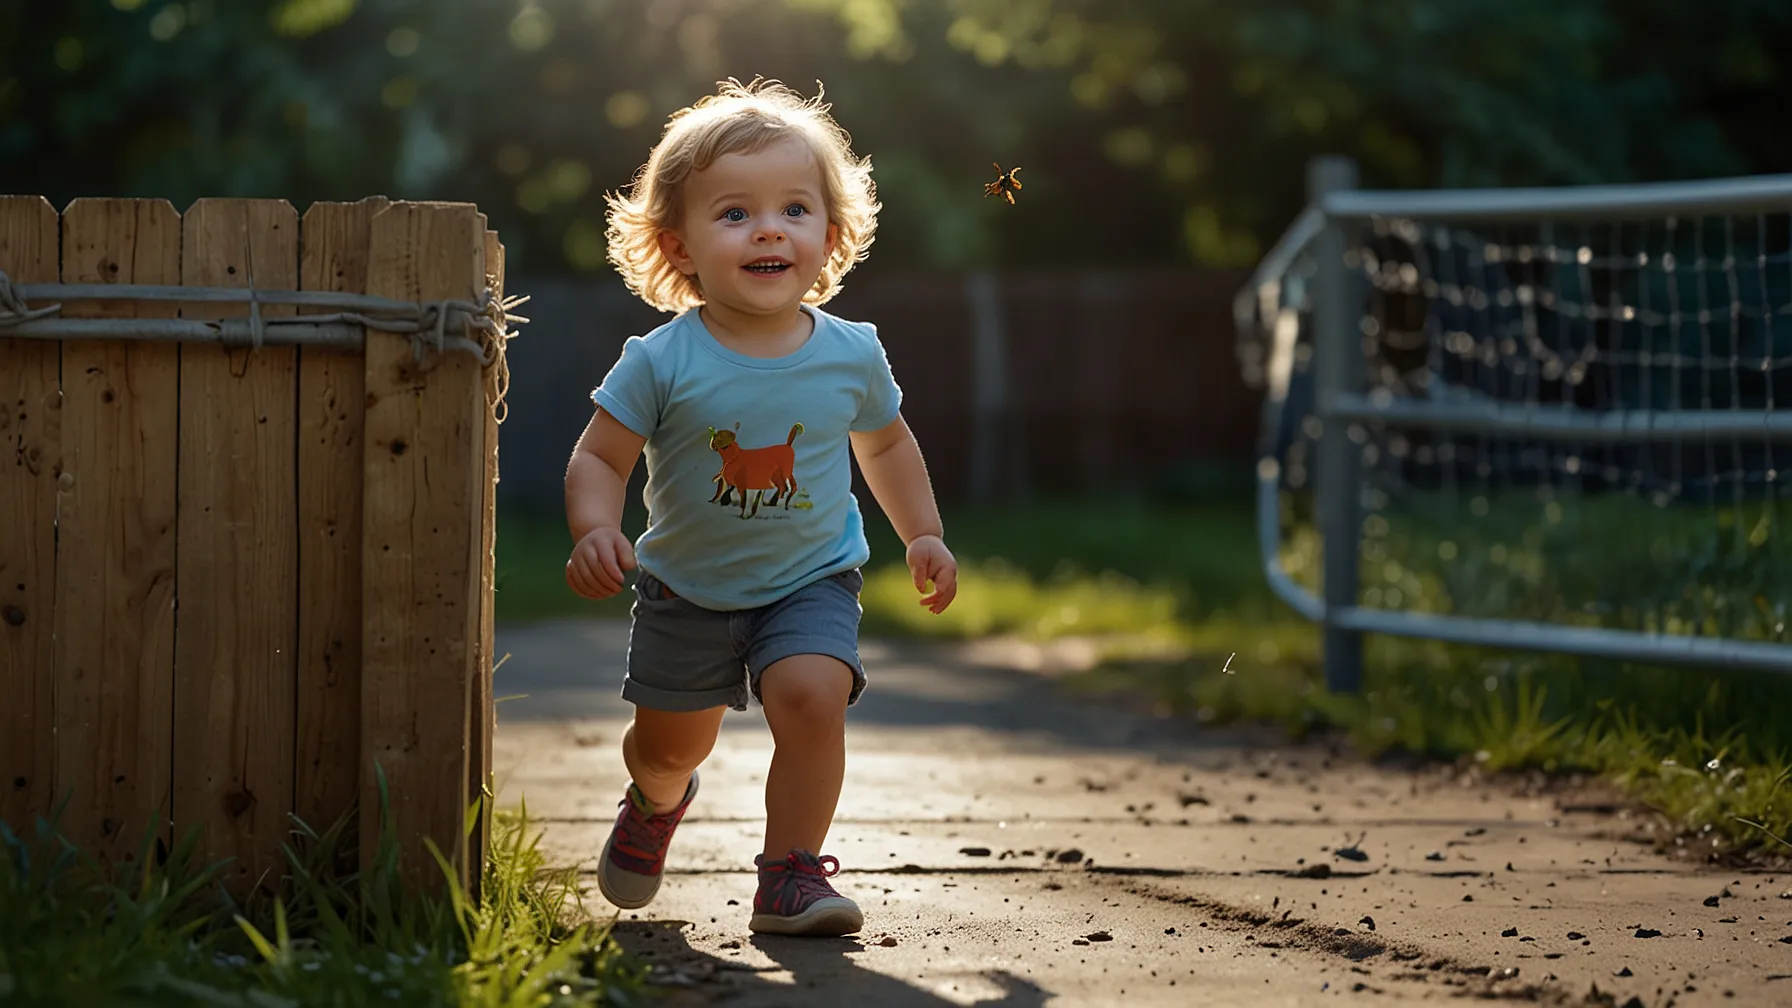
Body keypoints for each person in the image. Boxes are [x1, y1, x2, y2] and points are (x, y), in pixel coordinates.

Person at [563, 78, 958, 937]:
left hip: (810, 578)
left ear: (830, 234)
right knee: (672, 746)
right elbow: (600, 456)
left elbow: (885, 446)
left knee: (814, 695)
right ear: (680, 246)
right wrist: (596, 527)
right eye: (735, 213)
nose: (769, 228)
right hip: (685, 590)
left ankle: (790, 875)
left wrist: (922, 533)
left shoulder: (852, 353)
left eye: (794, 209)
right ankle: (656, 799)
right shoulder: (661, 360)